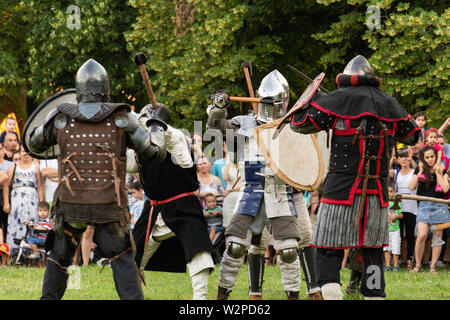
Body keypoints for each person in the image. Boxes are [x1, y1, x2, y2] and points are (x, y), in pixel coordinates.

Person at [25, 59, 160, 300]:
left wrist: (51, 118)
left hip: (70, 205)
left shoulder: (61, 118)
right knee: (122, 258)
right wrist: (156, 126)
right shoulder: (122, 118)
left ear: (79, 90)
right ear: (105, 88)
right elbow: (154, 153)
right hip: (109, 206)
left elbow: (33, 142)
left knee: (59, 257)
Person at [289, 55, 420, 299]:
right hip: (376, 193)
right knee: (372, 253)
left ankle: (332, 293)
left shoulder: (336, 101)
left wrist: (314, 101)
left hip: (340, 190)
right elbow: (413, 135)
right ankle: (373, 294)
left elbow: (297, 123)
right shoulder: (390, 103)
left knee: (328, 249)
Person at [207, 70, 304, 300]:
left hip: (280, 193)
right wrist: (218, 108)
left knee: (289, 251)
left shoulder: (291, 125)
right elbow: (217, 125)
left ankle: (294, 297)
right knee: (236, 248)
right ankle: (222, 298)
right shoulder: (244, 123)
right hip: (250, 192)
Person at [132, 103, 214, 300]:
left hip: (183, 206)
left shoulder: (176, 137)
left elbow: (185, 161)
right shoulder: (138, 143)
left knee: (200, 252)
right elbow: (129, 166)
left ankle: (200, 299)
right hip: (153, 208)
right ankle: (132, 295)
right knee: (130, 258)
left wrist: (161, 133)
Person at [409, 145, 450, 273]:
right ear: (423, 158)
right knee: (421, 235)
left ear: (436, 156)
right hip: (424, 205)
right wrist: (420, 171)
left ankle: (432, 267)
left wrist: (438, 173)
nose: (430, 159)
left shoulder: (442, 170)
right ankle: (418, 266)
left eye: (432, 156)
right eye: (427, 157)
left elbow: (445, 189)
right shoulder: (419, 170)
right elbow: (411, 187)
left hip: (440, 205)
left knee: (437, 236)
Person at [3, 145, 45, 257]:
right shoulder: (13, 166)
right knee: (15, 224)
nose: (25, 153)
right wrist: (6, 203)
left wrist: (42, 205)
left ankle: (31, 254)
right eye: (23, 151)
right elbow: (6, 185)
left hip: (32, 200)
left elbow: (40, 187)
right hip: (17, 201)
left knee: (32, 224)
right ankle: (14, 254)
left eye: (27, 151)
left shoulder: (36, 167)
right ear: (19, 153)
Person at [394, 148, 418, 270]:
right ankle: (396, 261)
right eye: (401, 156)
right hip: (398, 207)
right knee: (396, 234)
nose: (403, 159)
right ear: (397, 159)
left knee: (409, 235)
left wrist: (411, 155)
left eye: (406, 156)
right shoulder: (395, 172)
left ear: (409, 158)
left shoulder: (414, 172)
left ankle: (409, 260)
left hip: (411, 207)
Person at [384, 184, 403, 271]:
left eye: (391, 191)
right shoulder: (384, 202)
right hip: (386, 230)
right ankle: (387, 265)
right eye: (388, 191)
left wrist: (396, 216)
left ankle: (396, 265)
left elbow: (401, 215)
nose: (389, 193)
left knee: (396, 247)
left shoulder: (397, 202)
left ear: (394, 192)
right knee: (386, 248)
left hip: (395, 230)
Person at [0, 145, 12, 243]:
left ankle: (5, 251)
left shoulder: (10, 164)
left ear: (4, 150)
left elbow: (5, 177)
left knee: (6, 224)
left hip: (6, 196)